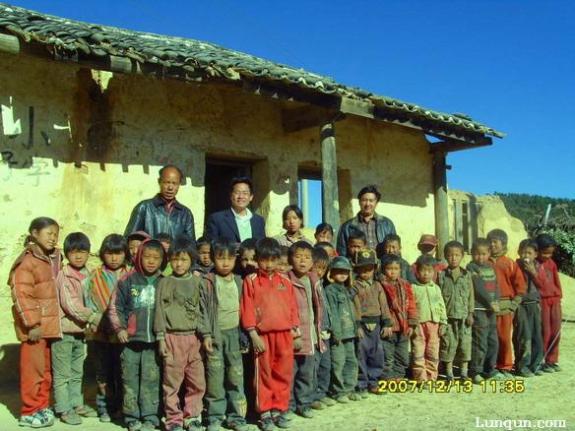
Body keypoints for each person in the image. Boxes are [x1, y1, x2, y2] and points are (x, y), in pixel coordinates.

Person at [240, 238, 299, 431]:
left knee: (282, 373)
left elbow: (292, 307)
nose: (269, 264)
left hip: (284, 335)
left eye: (273, 260)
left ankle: (278, 410)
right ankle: (264, 412)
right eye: (264, 260)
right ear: (257, 260)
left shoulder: (285, 281)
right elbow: (247, 308)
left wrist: (295, 332)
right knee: (263, 374)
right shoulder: (251, 281)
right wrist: (253, 334)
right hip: (263, 337)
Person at [9, 217, 62, 428]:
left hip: (49, 327)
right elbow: (22, 294)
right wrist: (32, 324)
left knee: (45, 370)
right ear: (34, 233)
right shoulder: (27, 261)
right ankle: (29, 411)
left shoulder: (51, 258)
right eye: (49, 233)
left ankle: (41, 405)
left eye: (56, 234)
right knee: (33, 371)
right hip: (35, 328)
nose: (53, 238)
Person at [108, 239, 167, 431]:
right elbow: (115, 306)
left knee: (151, 379)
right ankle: (131, 416)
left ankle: (150, 416)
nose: (151, 261)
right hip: (130, 341)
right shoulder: (127, 280)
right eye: (147, 256)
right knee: (129, 379)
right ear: (139, 256)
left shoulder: (164, 281)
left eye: (156, 258)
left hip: (153, 341)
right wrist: (120, 328)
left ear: (162, 260)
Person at [154, 238, 205, 431]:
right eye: (175, 259)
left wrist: (206, 336)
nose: (179, 264)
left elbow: (203, 311)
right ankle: (173, 419)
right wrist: (161, 338)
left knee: (197, 381)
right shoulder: (165, 282)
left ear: (191, 260)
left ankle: (192, 417)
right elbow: (159, 311)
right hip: (172, 338)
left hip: (194, 338)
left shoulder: (198, 282)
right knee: (172, 382)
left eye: (183, 260)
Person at [201, 240, 249, 431]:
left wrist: (244, 334)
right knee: (214, 377)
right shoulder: (207, 282)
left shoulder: (239, 281)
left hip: (234, 335)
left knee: (235, 376)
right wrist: (206, 334)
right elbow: (202, 311)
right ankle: (215, 416)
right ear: (213, 258)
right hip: (215, 335)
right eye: (221, 258)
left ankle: (236, 416)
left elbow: (245, 309)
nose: (226, 263)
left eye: (230, 258)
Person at [52, 232, 98, 424]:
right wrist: (92, 317)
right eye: (73, 252)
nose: (78, 256)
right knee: (62, 374)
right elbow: (70, 305)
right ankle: (63, 408)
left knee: (77, 372)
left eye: (82, 252)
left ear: (88, 253)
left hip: (80, 332)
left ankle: (76, 403)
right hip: (64, 332)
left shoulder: (90, 274)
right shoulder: (64, 275)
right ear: (67, 253)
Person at [84, 234, 130, 422]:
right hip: (100, 333)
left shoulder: (130, 275)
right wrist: (94, 319)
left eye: (118, 253)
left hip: (123, 334)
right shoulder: (94, 276)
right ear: (103, 254)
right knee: (103, 372)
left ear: (125, 254)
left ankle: (121, 407)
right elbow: (88, 300)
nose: (114, 258)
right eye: (109, 253)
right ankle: (105, 407)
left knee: (122, 371)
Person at [287, 241, 324, 419]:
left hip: (311, 335)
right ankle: (289, 405)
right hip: (294, 336)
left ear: (312, 262)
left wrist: (319, 330)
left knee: (307, 373)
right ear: (290, 259)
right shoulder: (286, 280)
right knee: (290, 373)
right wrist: (293, 333)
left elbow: (319, 308)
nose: (302, 261)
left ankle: (304, 403)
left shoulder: (314, 280)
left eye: (307, 257)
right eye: (298, 257)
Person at [351, 249, 392, 395]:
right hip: (362, 325)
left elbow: (384, 305)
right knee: (361, 353)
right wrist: (357, 325)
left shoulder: (377, 286)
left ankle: (373, 382)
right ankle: (361, 383)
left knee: (377, 353)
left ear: (374, 269)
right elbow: (355, 307)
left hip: (376, 325)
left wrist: (387, 323)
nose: (366, 273)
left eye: (369, 269)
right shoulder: (354, 286)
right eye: (362, 269)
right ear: (357, 269)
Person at [487, 229, 526, 378]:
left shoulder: (510, 263)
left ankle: (505, 366)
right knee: (490, 338)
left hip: (505, 307)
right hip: (487, 307)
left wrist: (513, 305)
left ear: (503, 244)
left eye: (495, 242)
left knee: (504, 338)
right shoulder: (483, 262)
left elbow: (520, 287)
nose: (492, 245)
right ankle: (491, 366)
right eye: (490, 242)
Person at [124, 165, 196, 244]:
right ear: (159, 182)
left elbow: (190, 245)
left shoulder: (185, 214)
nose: (170, 187)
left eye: (174, 183)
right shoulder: (144, 208)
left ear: (179, 184)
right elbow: (129, 240)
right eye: (167, 182)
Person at [324, 256, 358, 403]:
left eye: (345, 272)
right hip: (338, 335)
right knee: (338, 363)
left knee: (351, 361)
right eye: (338, 271)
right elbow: (332, 312)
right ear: (331, 273)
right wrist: (336, 332)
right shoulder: (330, 290)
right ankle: (338, 391)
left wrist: (356, 329)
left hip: (350, 333)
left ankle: (349, 388)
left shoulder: (347, 290)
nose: (342, 275)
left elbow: (352, 312)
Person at [438, 241, 474, 380]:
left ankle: (464, 373)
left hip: (464, 318)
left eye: (457, 255)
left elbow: (471, 296)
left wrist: (470, 313)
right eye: (450, 255)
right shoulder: (441, 275)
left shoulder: (467, 275)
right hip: (448, 318)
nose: (453, 258)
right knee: (448, 345)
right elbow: (438, 298)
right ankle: (449, 373)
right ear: (445, 256)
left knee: (465, 344)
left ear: (462, 256)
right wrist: (441, 319)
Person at [466, 238, 501, 383]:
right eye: (477, 254)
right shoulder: (471, 267)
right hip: (479, 308)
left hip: (491, 310)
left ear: (489, 253)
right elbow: (478, 286)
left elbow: (496, 286)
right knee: (480, 341)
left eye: (483, 254)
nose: (480, 257)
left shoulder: (490, 267)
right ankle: (476, 371)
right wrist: (490, 301)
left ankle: (489, 369)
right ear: (472, 253)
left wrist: (496, 300)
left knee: (493, 341)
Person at [379, 255, 418, 380]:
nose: (393, 272)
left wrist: (411, 324)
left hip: (403, 327)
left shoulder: (405, 285)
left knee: (402, 356)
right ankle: (387, 378)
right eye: (389, 269)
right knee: (387, 356)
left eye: (396, 269)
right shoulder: (380, 285)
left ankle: (399, 377)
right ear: (383, 269)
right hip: (389, 327)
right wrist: (385, 323)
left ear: (400, 270)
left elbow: (411, 304)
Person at [410, 256, 447, 382]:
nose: (426, 274)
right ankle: (420, 378)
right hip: (419, 324)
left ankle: (431, 377)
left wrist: (443, 322)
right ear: (417, 271)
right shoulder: (413, 288)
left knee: (433, 350)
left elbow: (441, 305)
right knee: (418, 350)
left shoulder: (435, 288)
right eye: (423, 270)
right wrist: (412, 323)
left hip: (434, 324)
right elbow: (410, 306)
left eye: (429, 271)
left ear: (434, 272)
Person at [336, 185, 396, 256]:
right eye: (364, 200)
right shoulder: (347, 227)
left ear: (376, 203)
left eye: (371, 201)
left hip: (383, 262)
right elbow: (342, 254)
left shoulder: (387, 224)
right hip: (356, 263)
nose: (367, 204)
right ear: (359, 202)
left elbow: (395, 249)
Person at [514, 239, 544, 377]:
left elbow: (543, 285)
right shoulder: (515, 266)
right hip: (521, 305)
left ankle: (535, 364)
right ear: (518, 252)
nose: (526, 255)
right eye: (523, 252)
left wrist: (533, 272)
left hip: (534, 304)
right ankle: (522, 366)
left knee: (537, 335)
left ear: (536, 254)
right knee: (523, 335)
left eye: (529, 253)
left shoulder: (538, 267)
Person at [310, 247, 335, 409]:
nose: (319, 272)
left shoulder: (322, 285)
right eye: (316, 267)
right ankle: (313, 397)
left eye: (323, 268)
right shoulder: (308, 285)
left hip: (325, 333)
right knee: (314, 366)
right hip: (315, 334)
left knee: (325, 365)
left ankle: (322, 393)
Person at [206, 177, 266, 243]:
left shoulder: (259, 221)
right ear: (231, 195)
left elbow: (262, 245)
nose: (241, 196)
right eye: (237, 192)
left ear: (251, 197)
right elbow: (211, 244)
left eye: (245, 193)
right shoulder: (217, 219)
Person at [534, 233, 563, 373]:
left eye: (550, 253)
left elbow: (556, 281)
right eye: (545, 253)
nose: (548, 256)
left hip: (555, 300)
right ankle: (540, 360)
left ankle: (552, 360)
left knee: (556, 331)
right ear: (537, 250)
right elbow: (538, 283)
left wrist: (559, 296)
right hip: (543, 301)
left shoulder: (551, 264)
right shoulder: (534, 264)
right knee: (545, 331)